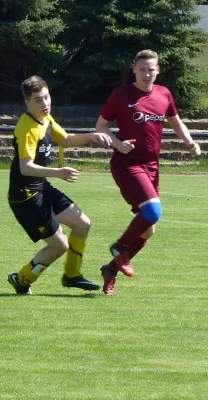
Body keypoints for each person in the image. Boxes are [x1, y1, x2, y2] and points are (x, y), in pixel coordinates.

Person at [96, 49, 201, 295]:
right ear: (134, 69)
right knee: (153, 211)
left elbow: (175, 121)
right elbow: (101, 126)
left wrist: (189, 142)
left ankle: (110, 269)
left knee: (149, 228)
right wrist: (117, 144)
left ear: (158, 70)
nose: (146, 74)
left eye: (151, 69)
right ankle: (119, 248)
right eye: (142, 69)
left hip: (152, 167)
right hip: (127, 163)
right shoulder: (121, 95)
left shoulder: (164, 94)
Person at [7, 75, 112, 295]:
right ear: (27, 102)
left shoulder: (46, 120)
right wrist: (59, 172)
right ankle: (22, 279)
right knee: (60, 246)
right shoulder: (26, 128)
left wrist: (93, 136)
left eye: (46, 97)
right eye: (38, 100)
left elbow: (65, 139)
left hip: (41, 188)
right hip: (26, 196)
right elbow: (25, 167)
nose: (45, 104)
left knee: (82, 223)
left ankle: (72, 275)